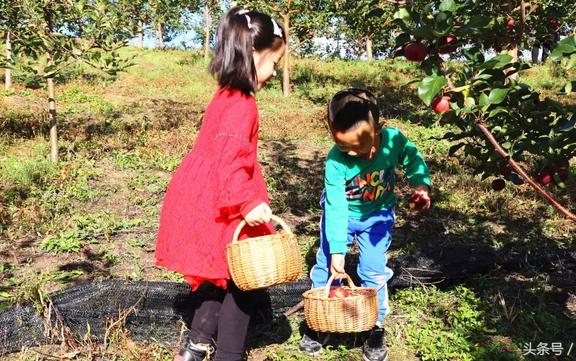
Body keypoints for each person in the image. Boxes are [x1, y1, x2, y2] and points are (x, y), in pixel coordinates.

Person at [154, 7, 286, 361]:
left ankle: (195, 346)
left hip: (208, 197)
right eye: (274, 62)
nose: (275, 71)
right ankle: (229, 354)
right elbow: (230, 163)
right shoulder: (243, 106)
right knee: (243, 282)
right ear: (254, 54)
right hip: (227, 200)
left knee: (218, 275)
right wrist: (248, 203)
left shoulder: (225, 95)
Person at [299, 89, 432, 361]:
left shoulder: (393, 140)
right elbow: (336, 206)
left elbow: (413, 159)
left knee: (373, 269)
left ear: (378, 128)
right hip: (343, 216)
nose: (354, 153)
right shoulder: (336, 161)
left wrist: (421, 185)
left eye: (361, 146)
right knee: (326, 263)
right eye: (345, 146)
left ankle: (376, 324)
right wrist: (338, 249)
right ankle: (319, 320)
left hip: (378, 216)